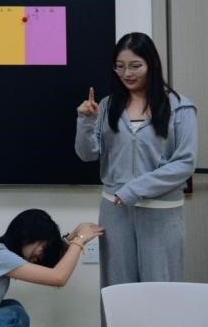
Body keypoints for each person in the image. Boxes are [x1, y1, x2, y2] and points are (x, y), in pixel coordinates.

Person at [75, 33, 197, 301]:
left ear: (151, 64)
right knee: (118, 290)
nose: (126, 73)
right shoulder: (107, 106)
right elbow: (87, 155)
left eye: (135, 66)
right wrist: (86, 121)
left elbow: (185, 163)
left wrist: (133, 189)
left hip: (161, 212)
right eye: (119, 66)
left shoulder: (180, 107)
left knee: (161, 290)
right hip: (115, 211)